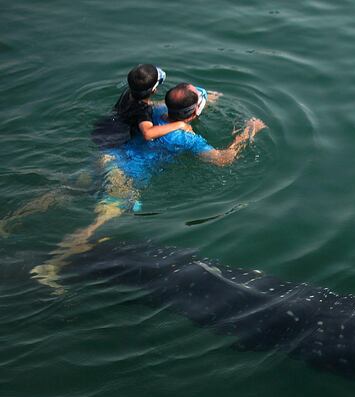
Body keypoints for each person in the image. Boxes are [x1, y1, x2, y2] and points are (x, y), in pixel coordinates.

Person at [30, 82, 267, 291]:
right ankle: (52, 266)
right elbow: (223, 160)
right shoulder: (187, 137)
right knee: (96, 224)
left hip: (109, 159)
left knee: (61, 193)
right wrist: (248, 132)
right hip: (125, 178)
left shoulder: (154, 112)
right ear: (194, 113)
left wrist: (205, 101)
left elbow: (173, 106)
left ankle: (9, 223)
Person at [1, 64, 195, 237]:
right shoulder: (143, 112)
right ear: (154, 90)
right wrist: (178, 124)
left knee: (65, 191)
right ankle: (78, 241)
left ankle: (11, 220)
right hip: (117, 148)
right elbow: (147, 133)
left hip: (104, 140)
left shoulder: (128, 95)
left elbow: (145, 106)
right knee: (112, 209)